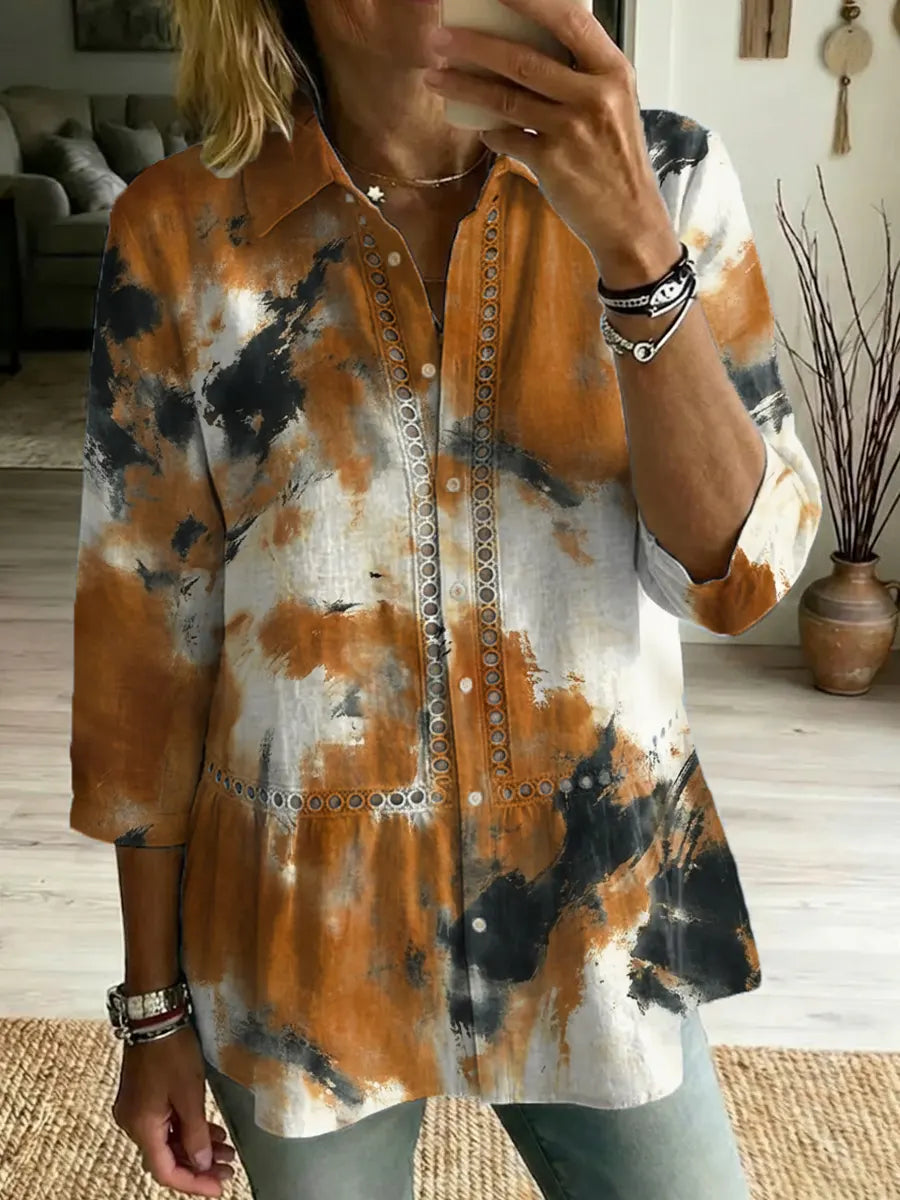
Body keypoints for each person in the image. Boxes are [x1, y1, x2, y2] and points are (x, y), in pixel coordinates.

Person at [68, 0, 822, 1196]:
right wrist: (151, 1010)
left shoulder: (664, 176)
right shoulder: (179, 230)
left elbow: (739, 577)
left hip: (599, 911)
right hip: (301, 935)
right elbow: (143, 664)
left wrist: (635, 251)